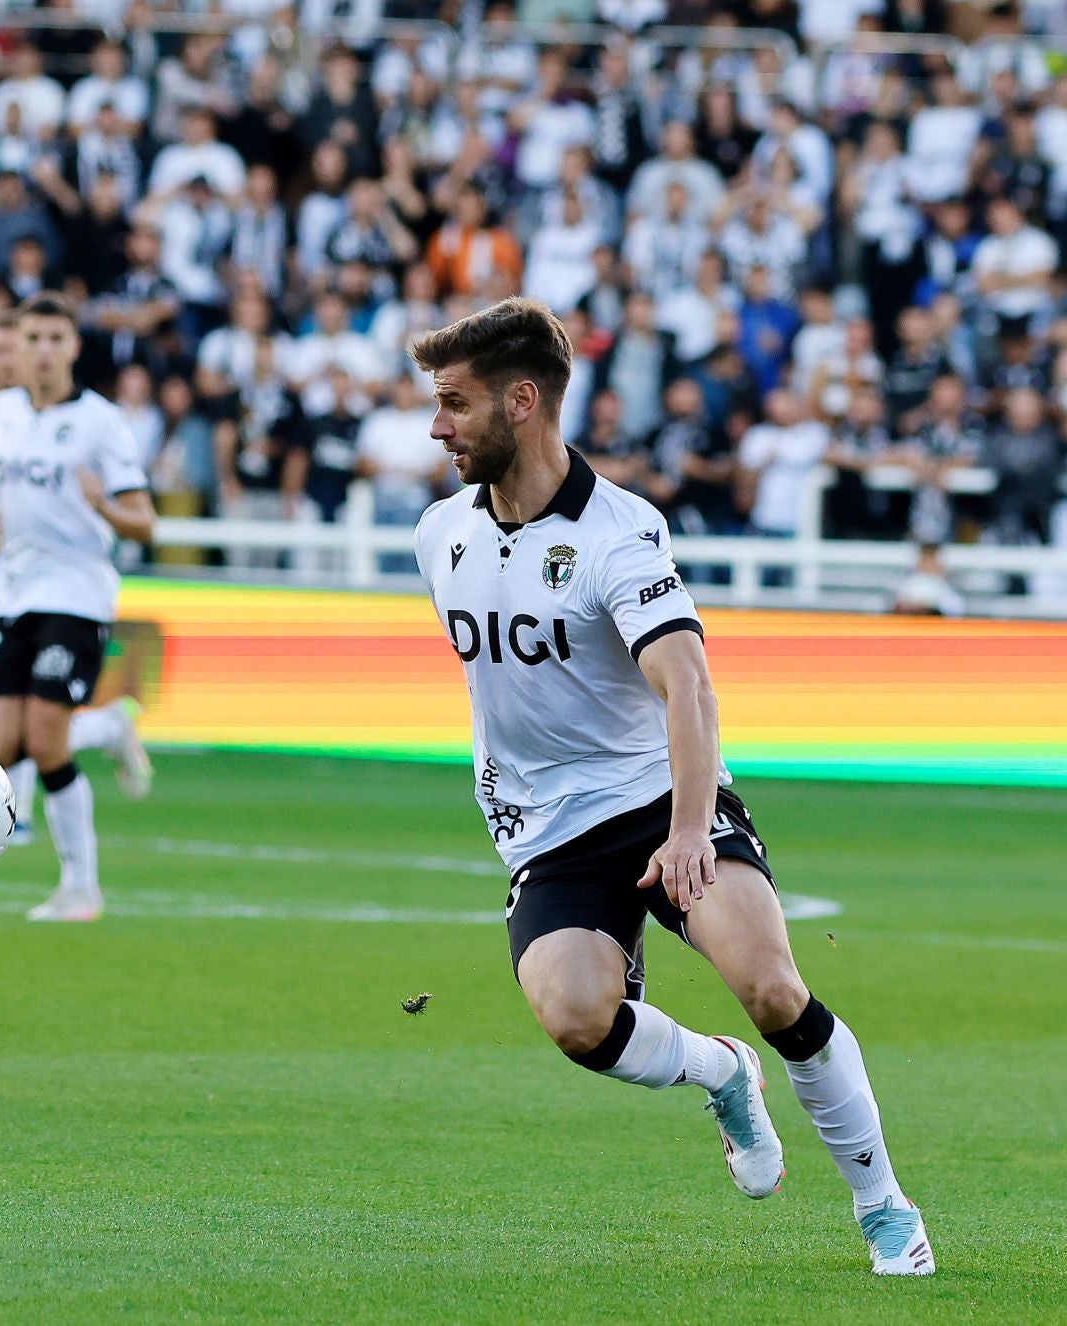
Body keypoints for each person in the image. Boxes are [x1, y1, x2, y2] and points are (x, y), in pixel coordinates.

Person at [408, 298, 934, 1277]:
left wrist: (691, 829)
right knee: (574, 1018)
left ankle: (884, 1205)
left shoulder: (619, 532)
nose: (437, 426)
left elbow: (686, 683)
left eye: (454, 404)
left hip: (663, 800)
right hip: (549, 835)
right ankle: (721, 1074)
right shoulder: (441, 534)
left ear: (523, 403)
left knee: (774, 988)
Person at [0, 294, 155, 922]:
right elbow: (10, 511)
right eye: (33, 339)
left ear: (74, 347)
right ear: (17, 348)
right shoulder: (6, 418)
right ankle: (109, 727)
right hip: (15, 597)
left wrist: (103, 505)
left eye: (56, 338)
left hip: (77, 598)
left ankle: (81, 889)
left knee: (48, 742)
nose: (43, 350)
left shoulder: (99, 422)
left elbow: (144, 523)